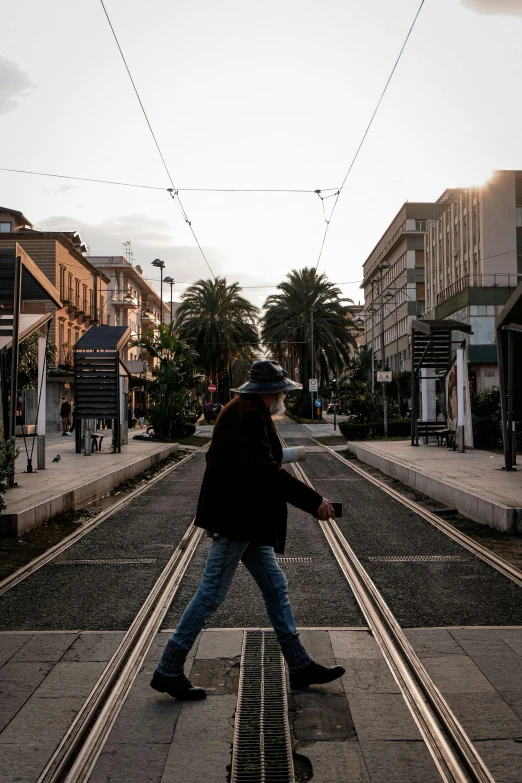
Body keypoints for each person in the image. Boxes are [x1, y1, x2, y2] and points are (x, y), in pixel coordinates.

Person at [151, 360, 344, 701]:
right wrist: (315, 502)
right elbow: (264, 471)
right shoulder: (251, 415)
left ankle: (299, 665)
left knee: (275, 586)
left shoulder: (243, 409)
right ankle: (168, 668)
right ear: (272, 392)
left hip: (244, 517)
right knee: (211, 593)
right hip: (235, 519)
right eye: (282, 390)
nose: (284, 394)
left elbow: (254, 461)